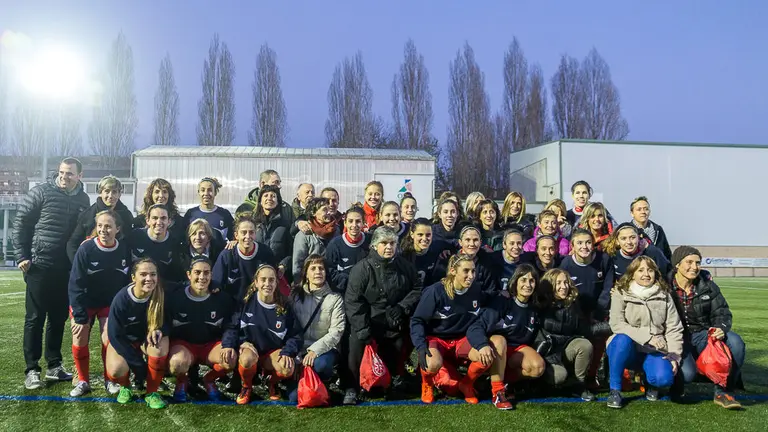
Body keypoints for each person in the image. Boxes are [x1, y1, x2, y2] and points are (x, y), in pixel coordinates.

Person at [13, 157, 90, 389]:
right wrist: (22, 256)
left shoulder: (83, 199)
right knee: (35, 318)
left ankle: (54, 365)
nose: (64, 177)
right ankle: (32, 369)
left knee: (58, 318)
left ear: (80, 176)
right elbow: (21, 223)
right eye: (62, 172)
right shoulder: (41, 192)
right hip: (39, 265)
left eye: (69, 174)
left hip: (66, 268)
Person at [411, 254, 510, 408]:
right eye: (466, 271)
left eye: (473, 271)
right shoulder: (435, 291)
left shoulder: (475, 289)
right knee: (432, 363)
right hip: (437, 339)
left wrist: (503, 295)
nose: (471, 276)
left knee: (486, 356)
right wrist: (420, 346)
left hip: (461, 339)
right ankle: (427, 383)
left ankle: (466, 384)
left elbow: (487, 298)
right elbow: (417, 320)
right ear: (453, 271)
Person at [343, 227, 423, 405]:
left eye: (392, 243)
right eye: (384, 243)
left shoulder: (404, 266)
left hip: (393, 319)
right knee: (356, 342)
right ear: (374, 245)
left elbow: (417, 288)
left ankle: (392, 381)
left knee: (398, 343)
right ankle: (352, 387)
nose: (389, 247)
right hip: (368, 320)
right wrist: (363, 329)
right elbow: (353, 302)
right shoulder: (362, 269)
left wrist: (403, 307)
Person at [670, 246, 745, 409]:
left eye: (698, 263)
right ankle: (682, 381)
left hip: (703, 334)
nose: (694, 267)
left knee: (736, 342)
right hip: (677, 338)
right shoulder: (665, 286)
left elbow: (722, 312)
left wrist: (720, 327)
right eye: (689, 262)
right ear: (677, 264)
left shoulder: (708, 286)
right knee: (687, 374)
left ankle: (724, 391)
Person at [606, 256, 683, 409]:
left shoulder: (664, 294)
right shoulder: (621, 292)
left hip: (655, 349)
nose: (646, 274)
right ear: (632, 274)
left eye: (650, 270)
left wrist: (674, 355)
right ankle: (615, 390)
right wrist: (647, 337)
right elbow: (617, 324)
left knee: (664, 379)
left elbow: (674, 327)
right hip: (628, 348)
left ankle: (650, 383)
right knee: (621, 340)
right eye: (640, 270)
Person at [68, 210, 131, 397]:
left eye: (109, 226)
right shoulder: (86, 248)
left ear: (117, 229)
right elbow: (75, 283)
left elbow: (127, 282)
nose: (104, 230)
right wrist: (79, 316)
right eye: (100, 226)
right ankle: (83, 381)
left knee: (109, 339)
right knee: (79, 336)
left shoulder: (124, 249)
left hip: (108, 303)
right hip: (85, 302)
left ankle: (109, 379)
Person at [222, 265, 302, 404]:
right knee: (246, 359)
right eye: (263, 280)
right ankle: (247, 386)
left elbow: (295, 335)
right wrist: (240, 342)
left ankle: (271, 381)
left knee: (288, 367)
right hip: (251, 351)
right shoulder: (245, 302)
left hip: (271, 354)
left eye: (271, 280)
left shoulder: (285, 306)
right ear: (256, 282)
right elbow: (232, 326)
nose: (267, 284)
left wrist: (287, 352)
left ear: (276, 283)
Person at [467, 264, 546, 403]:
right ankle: (497, 392)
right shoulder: (502, 302)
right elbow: (476, 326)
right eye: (523, 280)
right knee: (499, 340)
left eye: (532, 281)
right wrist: (482, 344)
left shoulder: (535, 308)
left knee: (537, 367)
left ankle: (498, 381)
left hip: (514, 352)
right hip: (491, 348)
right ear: (515, 282)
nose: (528, 284)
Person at [167, 259, 237, 402]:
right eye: (197, 272)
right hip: (184, 345)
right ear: (189, 275)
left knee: (231, 359)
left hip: (209, 346)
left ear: (211, 275)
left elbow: (230, 325)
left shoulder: (221, 298)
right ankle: (182, 381)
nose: (202, 277)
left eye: (206, 273)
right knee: (176, 364)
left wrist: (228, 344)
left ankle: (209, 379)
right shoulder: (175, 297)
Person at [105, 259, 169, 409]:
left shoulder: (161, 293)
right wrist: (138, 364)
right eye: (143, 274)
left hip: (145, 340)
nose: (149, 279)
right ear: (133, 277)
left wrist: (160, 330)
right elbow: (114, 335)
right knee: (115, 369)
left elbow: (169, 322)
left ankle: (151, 392)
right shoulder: (122, 299)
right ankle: (125, 386)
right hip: (125, 340)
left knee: (159, 347)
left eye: (153, 274)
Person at [288, 255, 345, 403]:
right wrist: (295, 354)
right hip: (300, 349)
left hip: (325, 350)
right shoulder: (295, 296)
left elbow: (336, 332)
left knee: (320, 364)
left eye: (321, 268)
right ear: (306, 273)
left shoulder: (335, 298)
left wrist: (314, 350)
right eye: (313, 268)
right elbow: (289, 328)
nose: (318, 272)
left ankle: (325, 382)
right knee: (294, 398)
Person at [538, 269, 599, 401]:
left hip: (566, 348)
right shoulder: (540, 305)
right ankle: (543, 383)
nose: (564, 286)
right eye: (558, 283)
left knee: (585, 345)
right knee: (559, 376)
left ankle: (579, 384)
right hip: (547, 354)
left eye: (566, 282)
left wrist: (612, 327)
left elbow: (585, 329)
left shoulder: (573, 304)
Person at [67, 175, 133, 262]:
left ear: (119, 194)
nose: (110, 196)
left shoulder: (126, 215)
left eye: (114, 192)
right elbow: (73, 243)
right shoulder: (88, 215)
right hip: (92, 263)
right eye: (107, 191)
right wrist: (79, 263)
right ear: (100, 192)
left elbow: (129, 243)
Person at [213, 214, 277, 303]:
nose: (247, 236)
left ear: (255, 233)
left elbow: (274, 281)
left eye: (251, 232)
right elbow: (216, 285)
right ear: (236, 235)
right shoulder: (227, 255)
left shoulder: (265, 252)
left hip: (257, 305)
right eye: (243, 232)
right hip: (233, 307)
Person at [558, 229, 614, 320]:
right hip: (575, 312)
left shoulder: (604, 260)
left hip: (599, 311)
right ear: (572, 246)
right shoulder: (566, 264)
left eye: (588, 242)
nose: (584, 247)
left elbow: (607, 288)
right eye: (579, 243)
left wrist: (600, 310)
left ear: (593, 244)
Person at [128, 204, 185, 285]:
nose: (159, 222)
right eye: (155, 218)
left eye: (163, 218)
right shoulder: (136, 236)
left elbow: (175, 273)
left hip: (162, 289)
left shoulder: (174, 242)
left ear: (169, 221)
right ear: (147, 220)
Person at [292, 197, 340, 281]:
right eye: (324, 209)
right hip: (311, 281)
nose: (329, 212)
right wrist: (299, 285)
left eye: (329, 209)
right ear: (314, 213)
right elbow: (298, 264)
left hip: (332, 280)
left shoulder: (336, 230)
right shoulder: (304, 234)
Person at [325, 206, 370, 294]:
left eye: (358, 221)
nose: (354, 225)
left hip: (366, 292)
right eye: (350, 221)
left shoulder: (370, 241)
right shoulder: (335, 244)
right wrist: (346, 280)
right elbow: (329, 271)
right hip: (344, 292)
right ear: (345, 223)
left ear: (363, 223)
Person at [401, 218, 455, 287]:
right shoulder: (404, 254)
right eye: (420, 235)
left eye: (428, 235)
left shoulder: (436, 246)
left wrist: (450, 251)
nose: (424, 239)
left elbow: (457, 243)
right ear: (412, 234)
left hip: (428, 290)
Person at [603, 223, 670, 279]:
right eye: (623, 238)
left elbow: (666, 274)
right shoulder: (613, 257)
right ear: (617, 241)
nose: (629, 242)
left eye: (632, 237)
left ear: (638, 238)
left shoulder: (653, 253)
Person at [253, 185, 293, 276]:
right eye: (266, 195)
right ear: (260, 201)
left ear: (278, 201)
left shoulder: (285, 224)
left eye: (273, 196)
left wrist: (284, 265)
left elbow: (291, 251)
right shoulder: (253, 224)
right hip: (256, 271)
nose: (269, 198)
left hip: (277, 273)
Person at [133, 178, 187, 243]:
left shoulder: (179, 221)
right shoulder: (139, 221)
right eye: (157, 192)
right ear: (151, 195)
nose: (161, 195)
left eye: (164, 192)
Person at [630, 196, 672, 261]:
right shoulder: (628, 230)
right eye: (639, 209)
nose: (643, 212)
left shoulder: (658, 230)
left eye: (646, 209)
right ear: (632, 213)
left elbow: (667, 254)